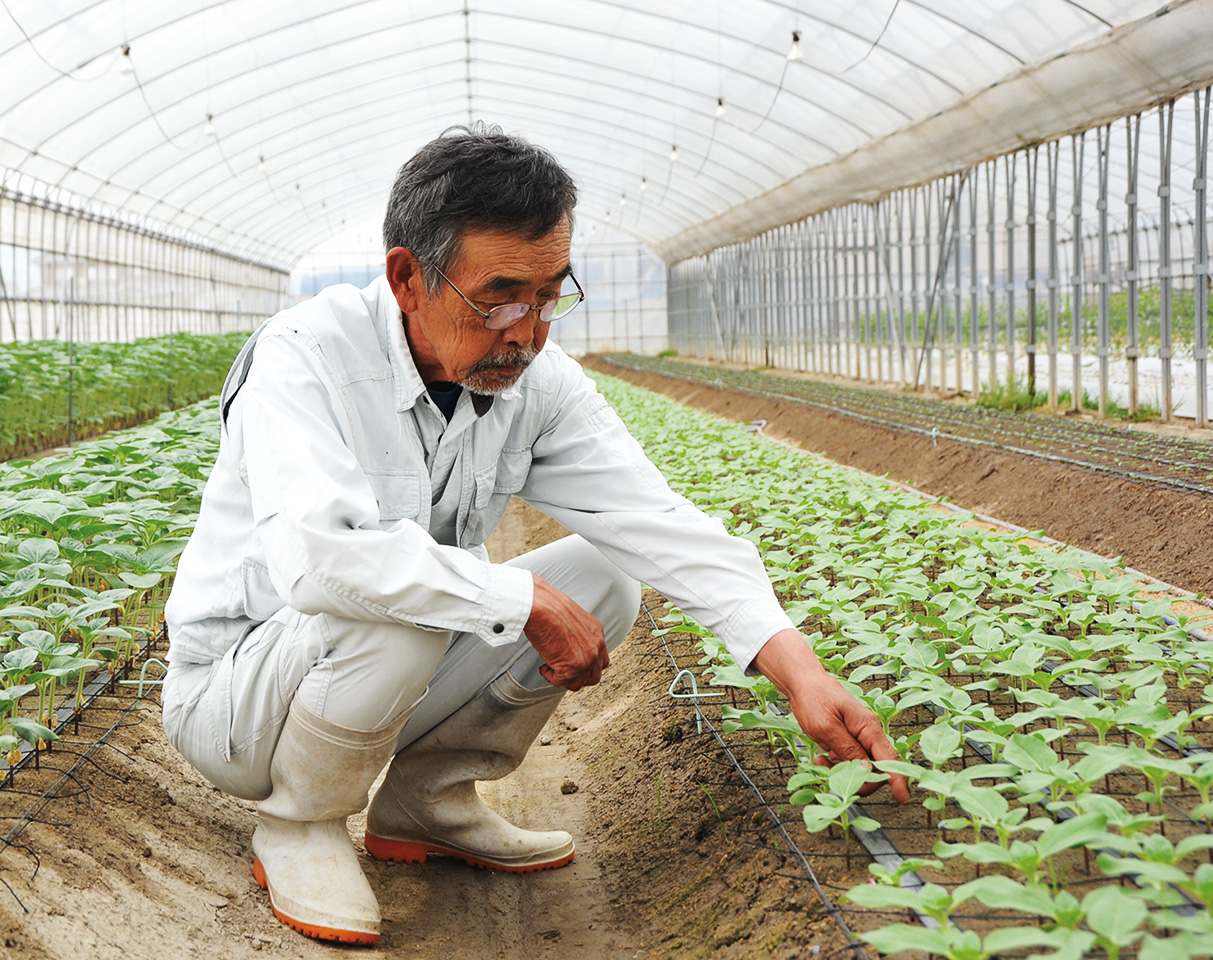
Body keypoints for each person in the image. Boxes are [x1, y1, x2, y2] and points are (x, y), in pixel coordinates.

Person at [161, 123, 908, 946]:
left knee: (604, 577)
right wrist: (516, 595)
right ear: (408, 277)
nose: (528, 329)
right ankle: (300, 822)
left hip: (366, 676)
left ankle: (427, 800)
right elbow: (322, 559)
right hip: (236, 704)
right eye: (502, 296)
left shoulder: (534, 380)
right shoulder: (307, 355)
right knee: (413, 598)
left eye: (552, 294)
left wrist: (795, 667)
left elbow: (653, 520)